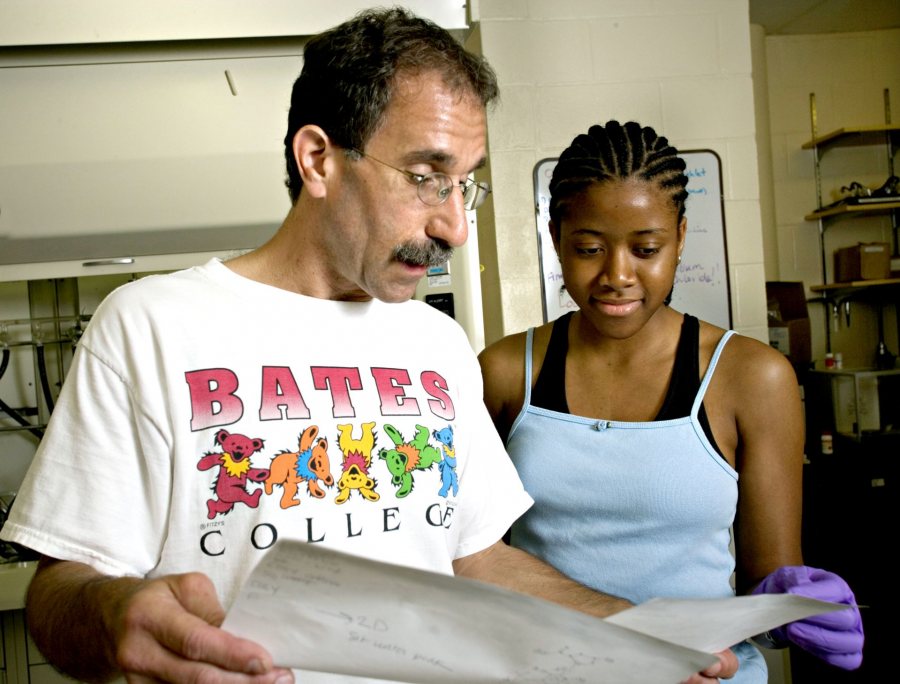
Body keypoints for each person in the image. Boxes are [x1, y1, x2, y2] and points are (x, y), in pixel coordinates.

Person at [0, 13, 736, 684]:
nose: (455, 227)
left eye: (464, 186)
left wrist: (639, 631)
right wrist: (110, 616)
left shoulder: (436, 343)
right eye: (425, 178)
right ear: (318, 158)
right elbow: (58, 593)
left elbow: (475, 558)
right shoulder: (151, 326)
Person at [478, 120, 865, 683]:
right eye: (588, 248)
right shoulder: (507, 372)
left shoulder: (751, 377)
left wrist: (792, 608)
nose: (617, 275)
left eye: (646, 249)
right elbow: (479, 558)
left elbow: (767, 580)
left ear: (681, 237)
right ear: (555, 236)